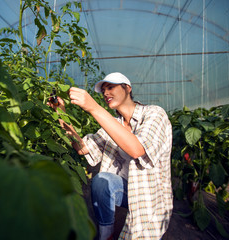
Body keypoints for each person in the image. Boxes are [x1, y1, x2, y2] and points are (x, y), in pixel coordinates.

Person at [50, 72, 173, 240]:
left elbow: (137, 149)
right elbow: (82, 148)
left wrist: (94, 108)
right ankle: (106, 235)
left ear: (128, 88)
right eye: (103, 91)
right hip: (124, 190)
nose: (106, 93)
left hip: (148, 195)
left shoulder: (154, 113)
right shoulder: (114, 124)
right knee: (101, 181)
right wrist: (61, 113)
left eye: (111, 87)